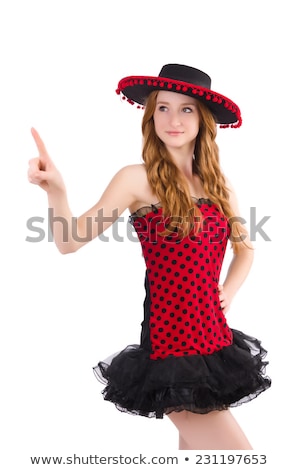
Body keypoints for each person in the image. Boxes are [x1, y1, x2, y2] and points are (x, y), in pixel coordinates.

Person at [28, 63, 271, 450]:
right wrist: (56, 191)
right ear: (150, 115)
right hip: (172, 344)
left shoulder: (218, 185)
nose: (172, 119)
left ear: (202, 119)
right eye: (163, 107)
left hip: (214, 341)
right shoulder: (135, 179)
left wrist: (228, 290)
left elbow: (245, 251)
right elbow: (69, 241)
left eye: (186, 109)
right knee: (236, 456)